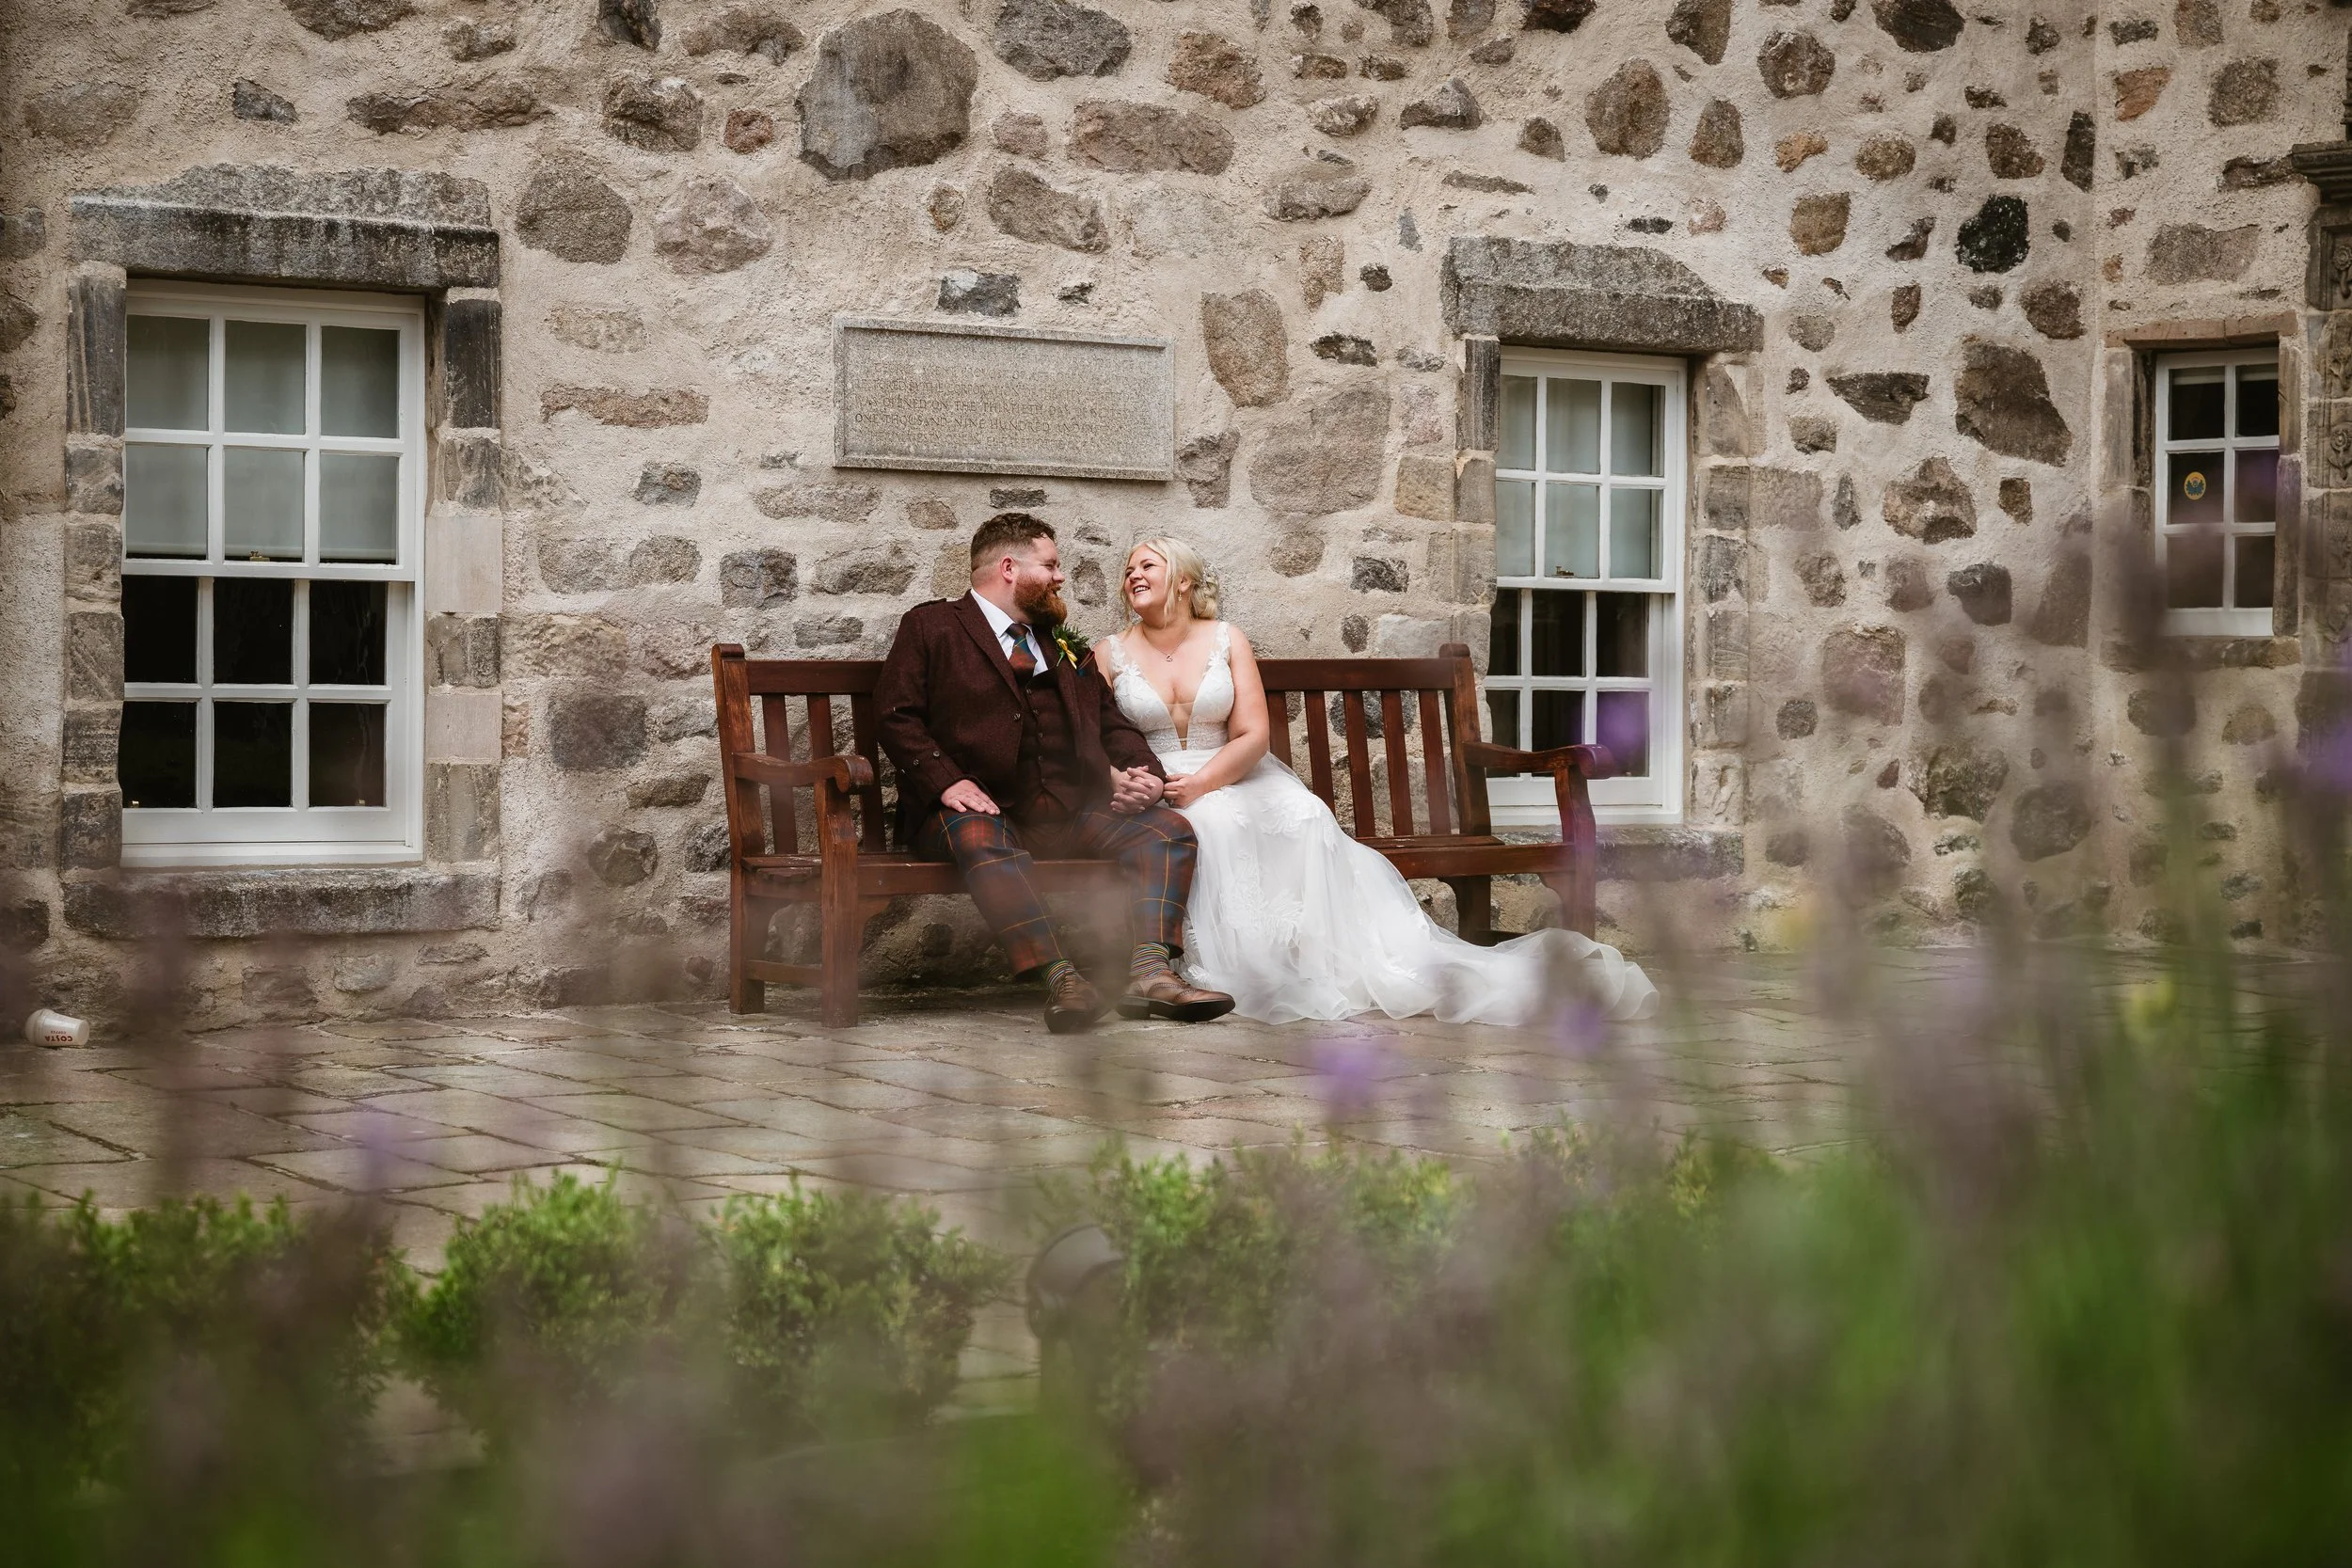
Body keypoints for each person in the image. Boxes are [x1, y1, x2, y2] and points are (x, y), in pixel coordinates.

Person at [1089, 537, 1660, 1026]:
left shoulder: (1226, 639)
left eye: (1148, 566)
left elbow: (1253, 735)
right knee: (1209, 823)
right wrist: (1129, 782)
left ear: (1184, 580)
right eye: (1128, 571)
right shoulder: (1108, 653)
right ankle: (1225, 968)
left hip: (1230, 768)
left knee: (1303, 813)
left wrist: (1203, 782)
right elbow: (1087, 735)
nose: (1133, 576)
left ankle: (1304, 960)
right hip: (1156, 779)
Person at [874, 514, 1237, 1035]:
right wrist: (947, 782)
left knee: (1168, 830)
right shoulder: (933, 627)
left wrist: (1146, 773)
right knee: (980, 836)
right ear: (1008, 568)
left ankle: (1150, 974)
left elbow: (1112, 721)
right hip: (980, 813)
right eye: (1050, 565)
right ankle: (1062, 977)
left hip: (1066, 813)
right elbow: (895, 714)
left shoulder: (1057, 642)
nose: (1060, 576)